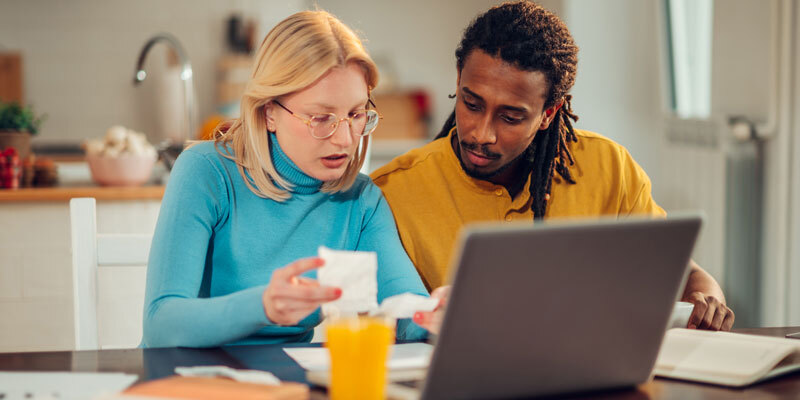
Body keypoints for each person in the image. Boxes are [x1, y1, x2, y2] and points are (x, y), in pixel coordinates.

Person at [371, 1, 734, 332]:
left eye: (511, 117)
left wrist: (706, 298)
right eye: (472, 104)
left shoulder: (610, 167)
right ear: (458, 80)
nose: (482, 134)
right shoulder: (392, 191)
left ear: (549, 114)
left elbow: (682, 272)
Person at [142, 10, 430, 348]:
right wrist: (262, 306)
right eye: (321, 118)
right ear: (269, 113)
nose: (345, 139)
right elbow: (161, 325)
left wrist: (436, 316)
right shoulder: (206, 172)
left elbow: (407, 308)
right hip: (190, 379)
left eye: (355, 114)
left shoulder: (361, 201)